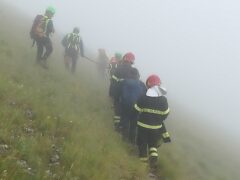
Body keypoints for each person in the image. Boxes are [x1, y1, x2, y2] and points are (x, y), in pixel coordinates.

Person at [134, 74, 170, 165]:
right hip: (156, 127)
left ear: (148, 85)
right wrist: (158, 119)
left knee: (142, 143)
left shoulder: (143, 97)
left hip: (143, 126)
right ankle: (154, 155)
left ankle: (143, 163)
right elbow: (166, 113)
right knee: (153, 143)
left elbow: (136, 109)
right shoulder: (163, 100)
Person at [119, 68, 146, 144]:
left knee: (125, 120)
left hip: (125, 105)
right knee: (134, 124)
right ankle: (132, 141)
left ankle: (124, 138)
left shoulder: (124, 82)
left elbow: (119, 92)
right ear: (137, 75)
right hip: (137, 107)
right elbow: (145, 96)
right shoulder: (142, 84)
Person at [111, 52, 136, 131]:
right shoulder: (134, 71)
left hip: (118, 93)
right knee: (125, 111)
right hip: (129, 95)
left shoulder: (119, 68)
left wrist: (114, 92)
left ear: (124, 59)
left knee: (118, 109)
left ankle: (117, 126)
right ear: (132, 61)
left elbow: (113, 81)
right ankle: (124, 127)